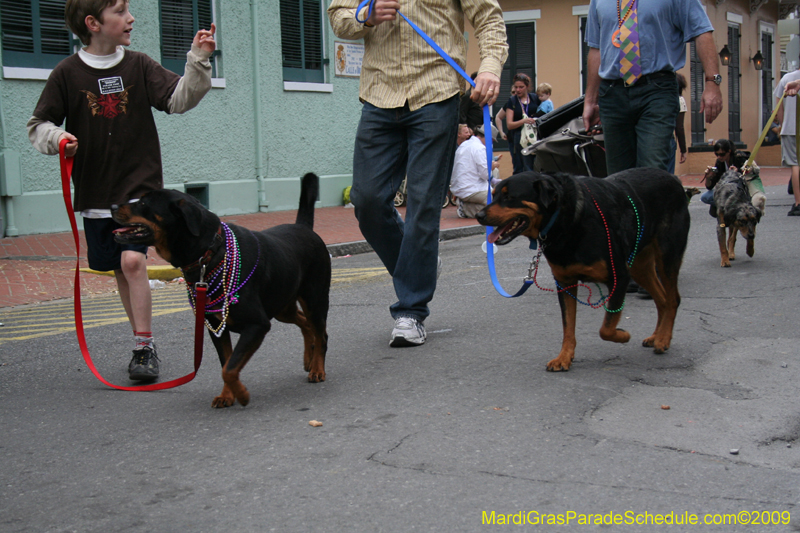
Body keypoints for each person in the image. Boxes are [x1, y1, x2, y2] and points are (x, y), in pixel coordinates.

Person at [27, 0, 216, 380]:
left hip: (140, 189)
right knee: (117, 267)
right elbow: (38, 125)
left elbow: (178, 99)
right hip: (97, 193)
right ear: (93, 23)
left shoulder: (139, 65)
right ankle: (141, 340)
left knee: (133, 261)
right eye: (120, 12)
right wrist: (58, 137)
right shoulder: (66, 73)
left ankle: (144, 349)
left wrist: (197, 59)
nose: (131, 18)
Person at [328, 0, 508, 347]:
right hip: (380, 95)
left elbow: (488, 17)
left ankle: (410, 311)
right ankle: (420, 265)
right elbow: (338, 17)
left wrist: (489, 68)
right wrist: (365, 16)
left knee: (424, 202)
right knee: (367, 199)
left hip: (436, 93)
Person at [582, 0, 723, 175]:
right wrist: (590, 100)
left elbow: (702, 31)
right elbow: (596, 48)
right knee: (617, 178)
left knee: (652, 171)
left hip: (657, 90)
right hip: (613, 93)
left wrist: (712, 83)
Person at [701, 139, 766, 217]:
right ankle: (730, 210)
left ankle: (733, 210)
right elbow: (710, 187)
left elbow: (750, 174)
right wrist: (708, 177)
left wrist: (737, 172)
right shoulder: (720, 162)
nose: (719, 157)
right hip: (728, 191)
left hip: (742, 190)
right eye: (716, 154)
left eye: (722, 154)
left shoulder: (739, 157)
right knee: (705, 197)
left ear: (729, 151)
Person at [450, 124, 501, 218]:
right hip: (470, 188)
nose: (491, 143)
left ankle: (465, 205)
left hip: (462, 186)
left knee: (493, 199)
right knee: (498, 202)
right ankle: (466, 209)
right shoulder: (479, 148)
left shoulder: (465, 144)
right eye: (492, 141)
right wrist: (491, 167)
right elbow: (485, 175)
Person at [495, 73, 540, 174]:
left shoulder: (534, 98)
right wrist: (502, 132)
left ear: (527, 87)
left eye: (521, 87)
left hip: (533, 136)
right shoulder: (512, 101)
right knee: (520, 166)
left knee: (534, 165)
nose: (518, 90)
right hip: (518, 138)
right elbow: (509, 124)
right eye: (516, 87)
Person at [774, 70, 800, 215]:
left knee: (795, 165)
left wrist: (783, 125)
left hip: (791, 128)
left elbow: (779, 105)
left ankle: (798, 202)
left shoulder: (787, 78)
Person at [667, 73, 688, 175]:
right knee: (668, 175)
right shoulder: (679, 100)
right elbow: (679, 127)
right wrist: (683, 150)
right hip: (668, 139)